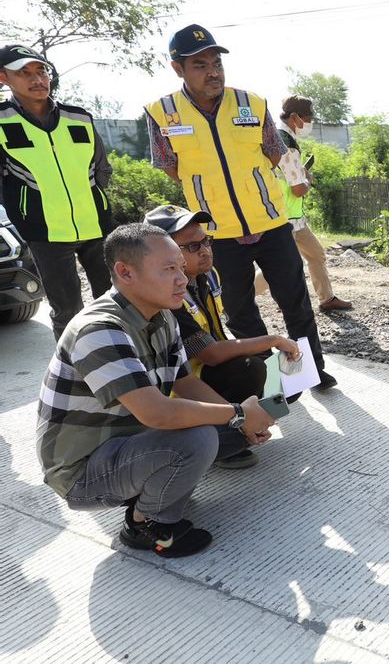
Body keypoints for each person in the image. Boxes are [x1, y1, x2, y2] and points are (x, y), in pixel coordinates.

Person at [36, 223, 276, 557]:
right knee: (199, 438)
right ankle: (145, 525)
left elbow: (186, 383)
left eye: (180, 267)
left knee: (233, 435)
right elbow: (158, 414)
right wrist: (238, 412)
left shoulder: (162, 318)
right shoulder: (99, 329)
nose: (182, 278)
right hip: (82, 471)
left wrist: (242, 422)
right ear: (125, 272)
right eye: (169, 269)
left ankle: (151, 488)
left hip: (128, 445)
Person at [143, 24, 336, 391]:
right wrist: (208, 188)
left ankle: (312, 372)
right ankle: (267, 378)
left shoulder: (251, 103)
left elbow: (277, 149)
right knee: (240, 310)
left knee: (295, 303)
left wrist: (298, 177)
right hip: (217, 235)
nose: (213, 71)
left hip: (272, 222)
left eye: (216, 63)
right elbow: (170, 167)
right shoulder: (162, 113)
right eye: (200, 64)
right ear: (177, 68)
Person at [145, 204, 301, 469]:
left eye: (206, 240)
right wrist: (272, 340)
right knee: (249, 369)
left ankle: (253, 424)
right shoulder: (164, 296)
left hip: (208, 377)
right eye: (193, 247)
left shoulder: (208, 276)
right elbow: (211, 354)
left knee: (289, 378)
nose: (205, 250)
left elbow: (220, 335)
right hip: (184, 391)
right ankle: (230, 435)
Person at [0, 44, 114, 339]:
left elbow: (102, 168)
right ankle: (75, 375)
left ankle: (127, 359)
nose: (37, 79)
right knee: (68, 311)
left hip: (97, 228)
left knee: (116, 301)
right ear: (4, 78)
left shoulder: (79, 117)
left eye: (41, 71)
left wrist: (97, 205)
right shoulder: (2, 122)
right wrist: (23, 213)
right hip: (45, 233)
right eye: (24, 73)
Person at [252, 95, 352, 312]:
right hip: (282, 219)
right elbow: (298, 190)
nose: (309, 123)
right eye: (308, 118)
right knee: (278, 268)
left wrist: (301, 174)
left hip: (293, 217)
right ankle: (236, 300)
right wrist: (307, 180)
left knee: (316, 255)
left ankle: (327, 299)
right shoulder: (286, 144)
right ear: (295, 117)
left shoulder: (278, 138)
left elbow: (289, 178)